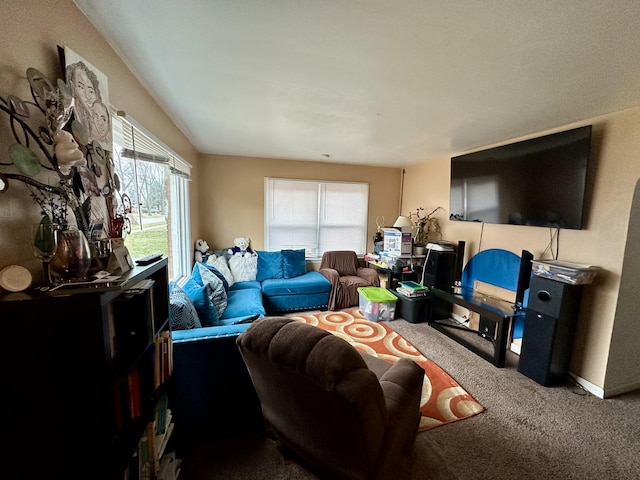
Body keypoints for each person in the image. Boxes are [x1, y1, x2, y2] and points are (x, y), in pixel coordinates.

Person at [66, 61, 101, 135]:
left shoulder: (97, 127)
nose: (87, 96)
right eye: (81, 87)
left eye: (91, 91)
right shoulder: (67, 117)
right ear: (72, 87)